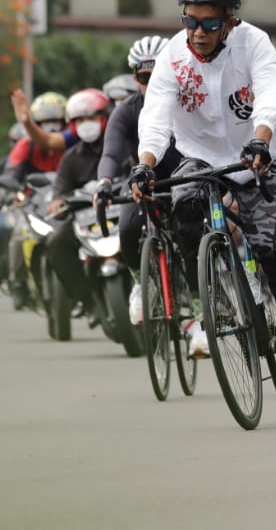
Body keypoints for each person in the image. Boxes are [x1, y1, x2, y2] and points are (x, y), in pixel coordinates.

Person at [132, 0, 276, 378]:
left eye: (210, 23)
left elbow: (273, 93)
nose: (198, 33)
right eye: (190, 21)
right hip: (200, 156)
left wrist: (260, 137)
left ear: (230, 22)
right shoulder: (172, 56)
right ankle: (213, 303)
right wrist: (145, 165)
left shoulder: (254, 43)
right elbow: (156, 117)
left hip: (255, 154)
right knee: (182, 208)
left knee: (269, 249)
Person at [90, 36, 185, 333]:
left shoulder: (189, 102)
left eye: (160, 74)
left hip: (186, 176)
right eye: (145, 77)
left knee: (194, 228)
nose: (153, 83)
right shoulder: (126, 111)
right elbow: (111, 152)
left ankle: (206, 290)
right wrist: (103, 182)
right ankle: (138, 283)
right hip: (144, 183)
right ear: (135, 78)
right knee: (128, 227)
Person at [43, 89, 113, 317]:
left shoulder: (119, 147)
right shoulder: (71, 158)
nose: (87, 125)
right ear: (72, 125)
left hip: (123, 212)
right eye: (80, 120)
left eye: (91, 118)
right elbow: (60, 193)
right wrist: (57, 204)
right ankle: (87, 299)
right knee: (56, 243)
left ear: (105, 118)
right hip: (86, 221)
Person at [5, 91, 70, 180]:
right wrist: (27, 123)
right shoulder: (26, 145)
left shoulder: (74, 143)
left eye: (56, 122)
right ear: (37, 124)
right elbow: (10, 177)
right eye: (46, 123)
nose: (51, 129)